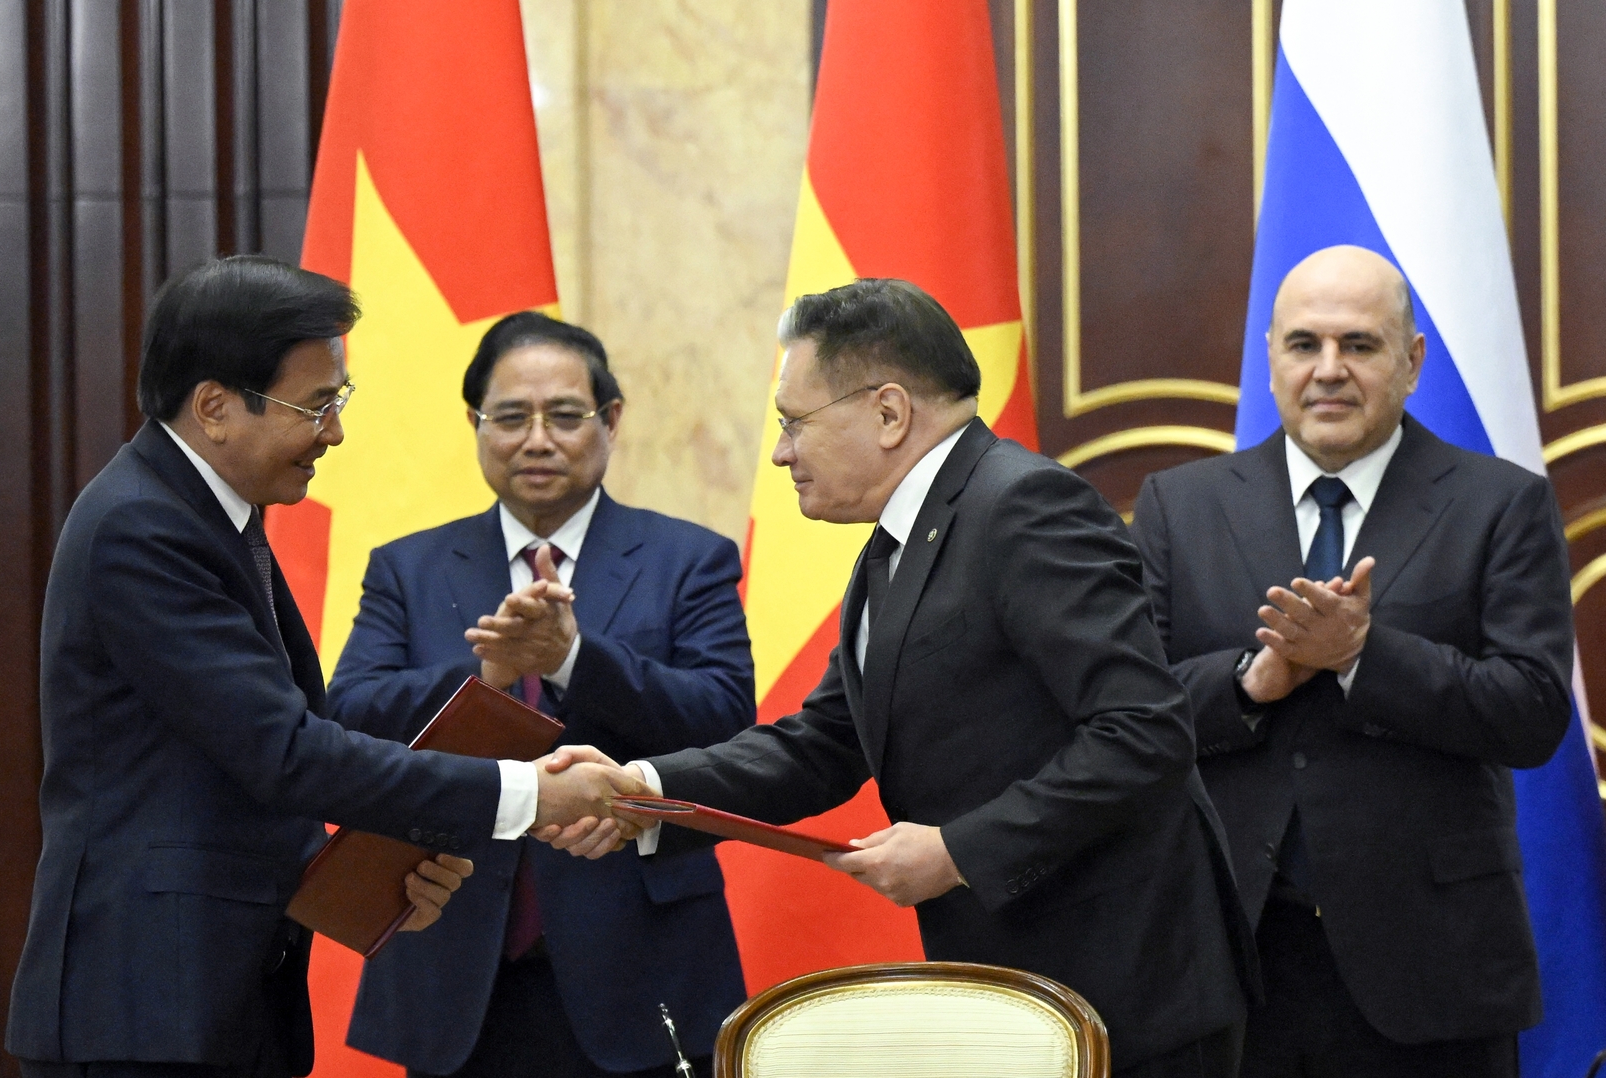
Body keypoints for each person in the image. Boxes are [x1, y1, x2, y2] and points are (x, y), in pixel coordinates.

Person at [544, 279, 1257, 1078]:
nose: (781, 453)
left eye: (793, 422)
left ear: (888, 413)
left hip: (1127, 989)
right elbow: (822, 744)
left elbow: (1144, 730)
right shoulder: (895, 544)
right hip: (1016, 983)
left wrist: (958, 850)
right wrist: (641, 790)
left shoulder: (1023, 506)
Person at [5, 257, 643, 1078]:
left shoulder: (208, 516)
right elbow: (285, 753)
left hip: (204, 998)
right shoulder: (144, 530)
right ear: (215, 407)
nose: (334, 432)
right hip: (142, 1009)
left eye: (338, 401)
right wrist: (525, 795)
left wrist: (378, 875)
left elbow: (259, 751)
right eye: (315, 405)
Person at [1129, 245, 1574, 1077]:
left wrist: (1362, 655)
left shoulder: (1500, 504)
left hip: (1431, 971)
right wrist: (1249, 682)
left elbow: (1532, 711)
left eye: (1358, 345)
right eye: (1304, 344)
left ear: (1410, 362)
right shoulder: (1178, 506)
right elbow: (1129, 715)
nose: (1328, 370)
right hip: (1231, 963)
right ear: (1270, 358)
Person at [329, 311, 753, 1078]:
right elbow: (350, 719)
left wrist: (573, 660)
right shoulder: (408, 567)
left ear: (610, 420)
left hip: (640, 959)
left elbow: (724, 721)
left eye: (563, 416)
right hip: (454, 957)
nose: (536, 440)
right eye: (510, 417)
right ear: (474, 424)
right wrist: (487, 680)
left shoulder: (689, 559)